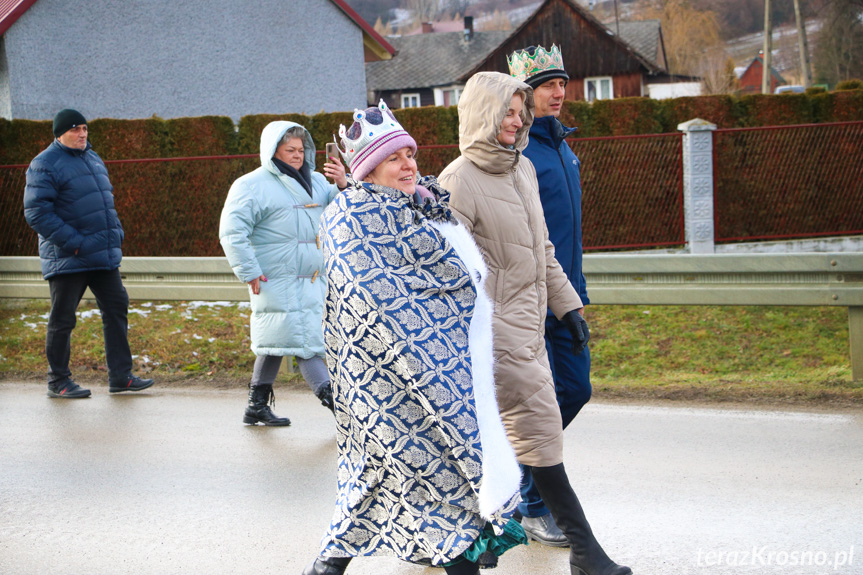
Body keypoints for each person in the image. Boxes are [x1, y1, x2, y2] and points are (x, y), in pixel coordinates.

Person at [303, 101, 525, 575]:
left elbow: (450, 283)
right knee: (420, 481)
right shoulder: (352, 221)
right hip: (382, 386)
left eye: (411, 155)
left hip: (434, 374)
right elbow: (382, 305)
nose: (409, 166)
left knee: (403, 487)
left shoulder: (420, 209)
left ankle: (329, 565)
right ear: (369, 169)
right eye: (395, 158)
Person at [438, 73, 631, 575]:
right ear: (483, 113)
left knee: (504, 440)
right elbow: (446, 271)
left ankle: (459, 549)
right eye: (506, 111)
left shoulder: (520, 168)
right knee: (537, 429)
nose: (516, 120)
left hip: (530, 324)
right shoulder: (458, 180)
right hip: (493, 332)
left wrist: (568, 307)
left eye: (520, 111)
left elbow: (541, 248)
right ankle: (586, 551)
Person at [506, 44, 592, 547]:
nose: (558, 93)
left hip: (566, 296)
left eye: (562, 83)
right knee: (538, 403)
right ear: (525, 94)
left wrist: (575, 297)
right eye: (546, 86)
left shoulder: (564, 148)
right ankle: (534, 505)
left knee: (576, 390)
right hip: (527, 302)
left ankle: (515, 481)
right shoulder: (519, 156)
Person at [219, 121, 347, 426]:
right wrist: (248, 270)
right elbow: (232, 231)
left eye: (301, 149)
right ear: (272, 150)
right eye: (289, 149)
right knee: (305, 344)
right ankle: (343, 413)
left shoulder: (317, 182)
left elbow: (344, 209)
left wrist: (343, 183)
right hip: (274, 278)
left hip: (313, 280)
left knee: (277, 338)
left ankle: (256, 405)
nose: (297, 155)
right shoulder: (251, 185)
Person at [23, 108, 155, 398]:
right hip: (69, 256)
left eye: (84, 128)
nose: (82, 134)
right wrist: (75, 243)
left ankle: (120, 376)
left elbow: (106, 203)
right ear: (60, 133)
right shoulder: (44, 164)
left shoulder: (92, 158)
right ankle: (58, 381)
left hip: (101, 254)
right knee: (63, 319)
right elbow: (36, 212)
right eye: (75, 129)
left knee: (116, 308)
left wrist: (116, 232)